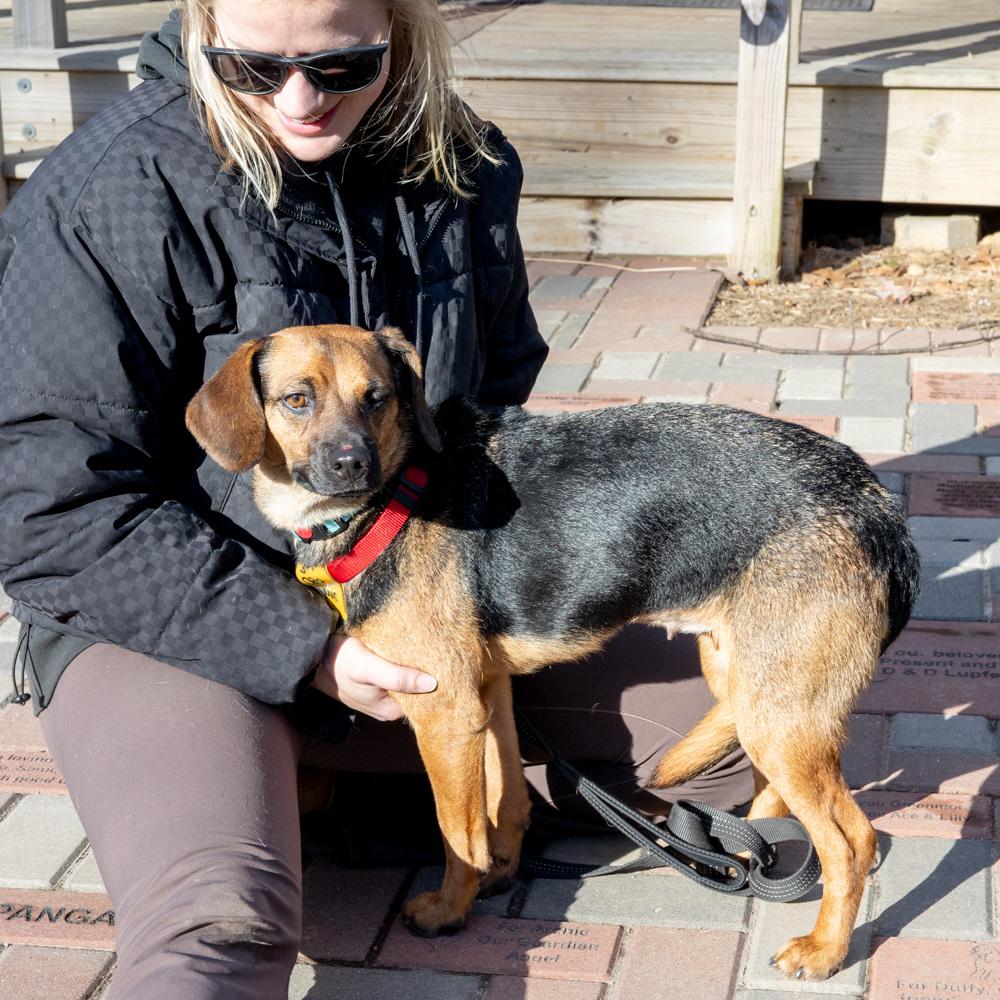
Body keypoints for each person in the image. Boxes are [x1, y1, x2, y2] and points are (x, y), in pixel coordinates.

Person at [0, 1, 751, 996]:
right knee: (219, 932)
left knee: (724, 746)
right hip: (175, 622)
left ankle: (339, 786)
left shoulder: (462, 161)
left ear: (399, 29)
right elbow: (47, 511)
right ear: (200, 31)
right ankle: (272, 789)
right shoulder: (107, 193)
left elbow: (495, 396)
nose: (302, 100)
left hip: (407, 591)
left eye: (344, 62)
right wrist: (308, 647)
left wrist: (453, 592)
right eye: (253, 67)